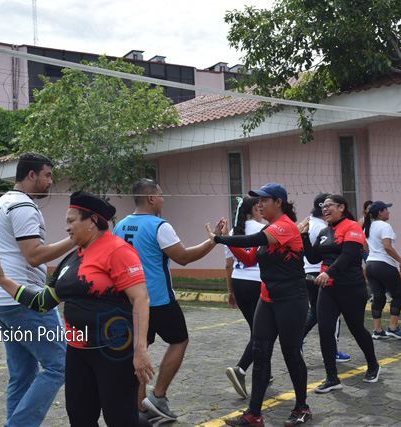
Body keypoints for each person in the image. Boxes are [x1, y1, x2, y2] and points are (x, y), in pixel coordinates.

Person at [0, 191, 154, 427]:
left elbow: (141, 299)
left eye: (71, 221)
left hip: (114, 351)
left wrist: (140, 350)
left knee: (120, 420)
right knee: (80, 418)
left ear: (93, 221)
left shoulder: (118, 250)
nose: (66, 228)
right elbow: (42, 302)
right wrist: (4, 280)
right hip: (78, 352)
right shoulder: (72, 259)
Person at [113, 178, 224, 421]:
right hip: (158, 300)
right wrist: (213, 240)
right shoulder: (159, 225)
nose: (163, 199)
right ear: (151, 198)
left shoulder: (119, 226)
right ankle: (158, 396)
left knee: (139, 351)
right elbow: (183, 257)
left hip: (129, 301)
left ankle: (140, 410)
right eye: (161, 195)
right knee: (180, 340)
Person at [208, 182, 312, 427]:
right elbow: (249, 257)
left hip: (291, 300)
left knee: (291, 354)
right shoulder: (269, 229)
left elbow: (254, 238)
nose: (259, 205)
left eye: (264, 200)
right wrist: (226, 241)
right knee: (260, 353)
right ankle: (254, 414)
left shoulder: (285, 226)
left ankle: (302, 407)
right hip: (267, 299)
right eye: (258, 201)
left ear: (278, 202)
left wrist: (222, 238)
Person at [0, 152, 74, 427]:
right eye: (47, 175)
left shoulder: (1, 203)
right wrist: (76, 239)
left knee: (22, 376)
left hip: (0, 301)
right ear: (31, 175)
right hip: (24, 302)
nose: (51, 181)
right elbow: (34, 255)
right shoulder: (22, 206)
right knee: (59, 366)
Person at [299, 194, 381, 393]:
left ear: (341, 207)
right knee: (325, 331)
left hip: (351, 288)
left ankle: (373, 365)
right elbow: (312, 256)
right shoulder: (326, 231)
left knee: (356, 329)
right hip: (328, 290)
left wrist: (328, 272)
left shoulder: (352, 226)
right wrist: (303, 235)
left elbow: (349, 254)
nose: (325, 209)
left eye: (329, 206)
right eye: (323, 206)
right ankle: (332, 378)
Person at [301, 192, 351, 363]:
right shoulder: (321, 227)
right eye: (326, 206)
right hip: (320, 273)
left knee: (316, 311)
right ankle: (332, 350)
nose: (327, 210)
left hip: (311, 271)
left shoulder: (310, 223)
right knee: (328, 314)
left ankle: (299, 340)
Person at [224, 196, 265, 398]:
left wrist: (230, 292)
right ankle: (240, 370)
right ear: (255, 209)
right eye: (260, 207)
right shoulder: (262, 229)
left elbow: (228, 265)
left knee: (255, 330)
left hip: (239, 283)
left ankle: (264, 368)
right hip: (257, 284)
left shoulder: (232, 232)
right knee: (261, 333)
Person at [363, 201, 401, 340]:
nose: (388, 212)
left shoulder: (368, 227)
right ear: (380, 212)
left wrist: (372, 254)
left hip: (370, 264)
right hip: (384, 264)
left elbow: (364, 244)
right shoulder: (385, 226)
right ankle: (393, 328)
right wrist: (400, 260)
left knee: (379, 297)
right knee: (398, 296)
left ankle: (377, 330)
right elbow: (387, 247)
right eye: (386, 210)